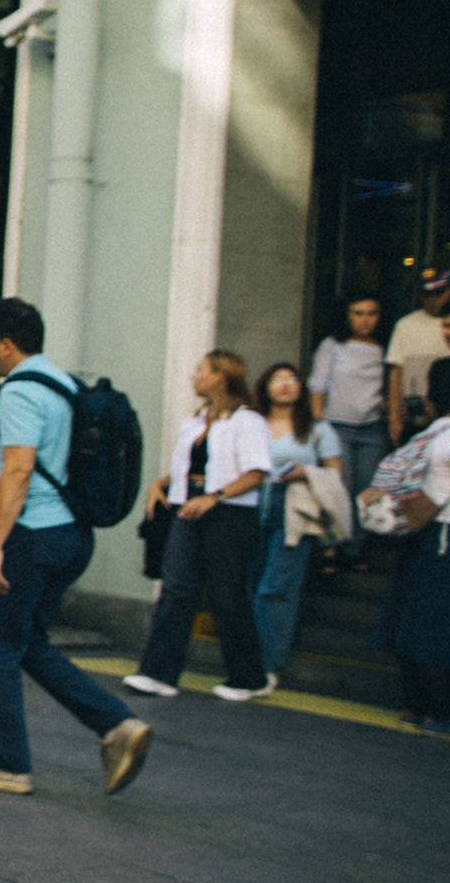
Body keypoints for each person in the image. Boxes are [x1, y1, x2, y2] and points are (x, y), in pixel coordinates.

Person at [0, 297, 153, 796]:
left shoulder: (18, 391)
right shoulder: (63, 383)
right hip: (69, 534)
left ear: (7, 345)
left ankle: (8, 763)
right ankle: (117, 726)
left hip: (31, 537)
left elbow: (18, 471)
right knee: (27, 644)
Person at [126, 350, 275, 701]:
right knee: (176, 589)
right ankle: (157, 673)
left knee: (227, 594)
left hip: (230, 514)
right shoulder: (196, 420)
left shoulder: (247, 421)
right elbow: (190, 466)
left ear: (221, 376)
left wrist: (215, 496)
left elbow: (257, 472)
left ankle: (248, 677)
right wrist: (159, 485)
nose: (194, 377)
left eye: (200, 371)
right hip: (186, 509)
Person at [366, 359, 450, 733]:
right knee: (435, 625)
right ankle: (439, 710)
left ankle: (416, 705)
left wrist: (394, 519)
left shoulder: (430, 433)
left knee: (412, 619)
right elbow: (436, 495)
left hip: (423, 537)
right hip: (440, 537)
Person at [251, 361, 341, 689]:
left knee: (276, 587)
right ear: (264, 386)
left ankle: (267, 666)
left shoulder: (318, 429)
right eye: (277, 379)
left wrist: (307, 472)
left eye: (293, 379)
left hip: (294, 507)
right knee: (251, 582)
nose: (286, 385)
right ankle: (247, 660)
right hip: (251, 504)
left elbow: (336, 476)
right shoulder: (252, 423)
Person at [310, 293, 389, 565]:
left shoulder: (384, 346)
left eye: (371, 313)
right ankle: (330, 546)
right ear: (346, 315)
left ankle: (356, 549)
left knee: (366, 489)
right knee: (339, 486)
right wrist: (319, 424)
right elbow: (318, 384)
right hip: (336, 427)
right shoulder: (332, 345)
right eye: (358, 313)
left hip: (371, 428)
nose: (365, 320)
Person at [386, 266, 450, 445]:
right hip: (415, 414)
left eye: (439, 292)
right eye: (426, 294)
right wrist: (395, 416)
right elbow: (395, 373)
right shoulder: (406, 325)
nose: (432, 299)